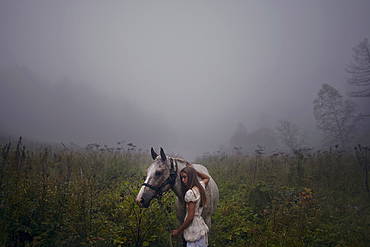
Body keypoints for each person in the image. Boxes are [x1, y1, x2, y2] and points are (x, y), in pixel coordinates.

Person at [172, 164, 210, 247]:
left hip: (193, 231)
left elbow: (190, 217)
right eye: (182, 178)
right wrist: (194, 171)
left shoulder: (190, 193)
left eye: (185, 177)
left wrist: (178, 232)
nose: (183, 180)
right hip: (201, 227)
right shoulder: (200, 187)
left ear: (191, 177)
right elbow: (207, 178)